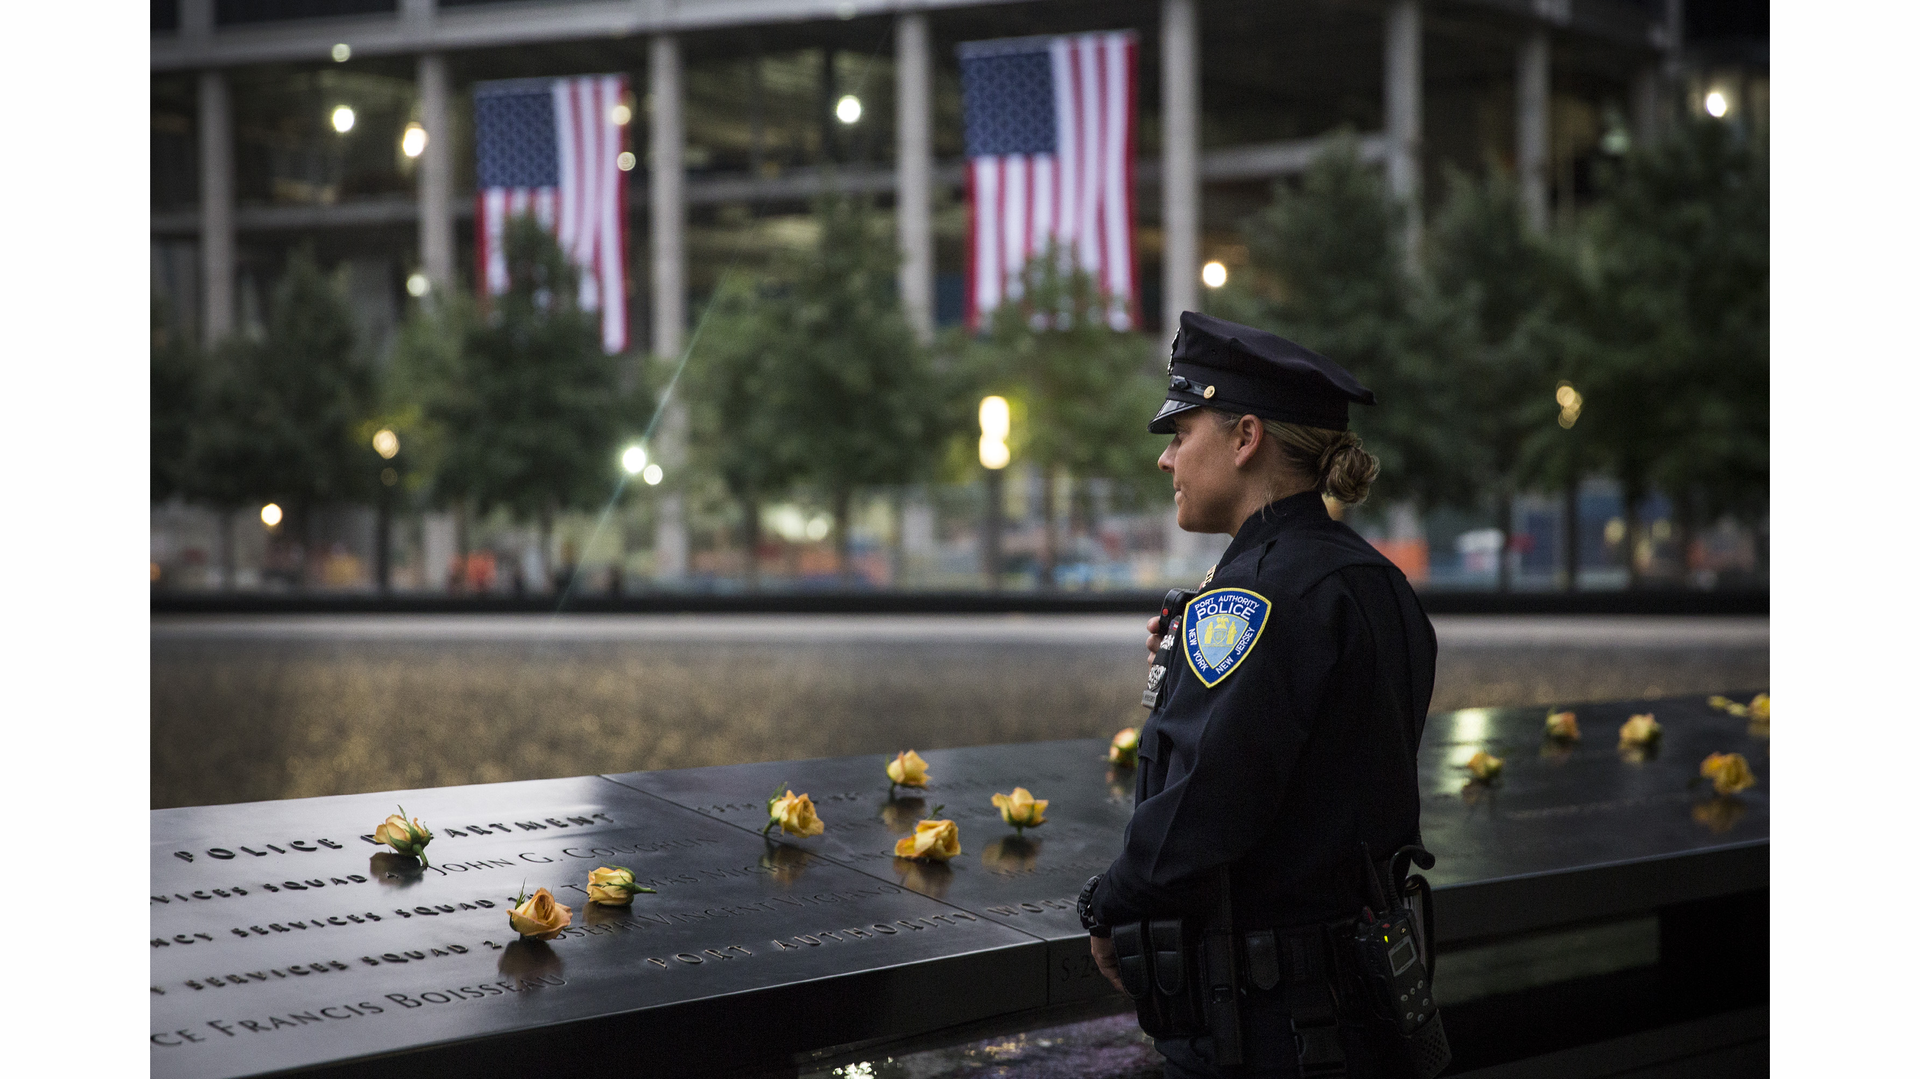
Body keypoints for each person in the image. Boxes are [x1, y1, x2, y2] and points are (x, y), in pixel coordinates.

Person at [1076, 312, 1439, 1079]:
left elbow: (1208, 805)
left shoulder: (1251, 595)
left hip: (1270, 1030)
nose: (1167, 459)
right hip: (1364, 1009)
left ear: (1245, 439)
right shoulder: (1372, 579)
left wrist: (1107, 905)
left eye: (1182, 432)